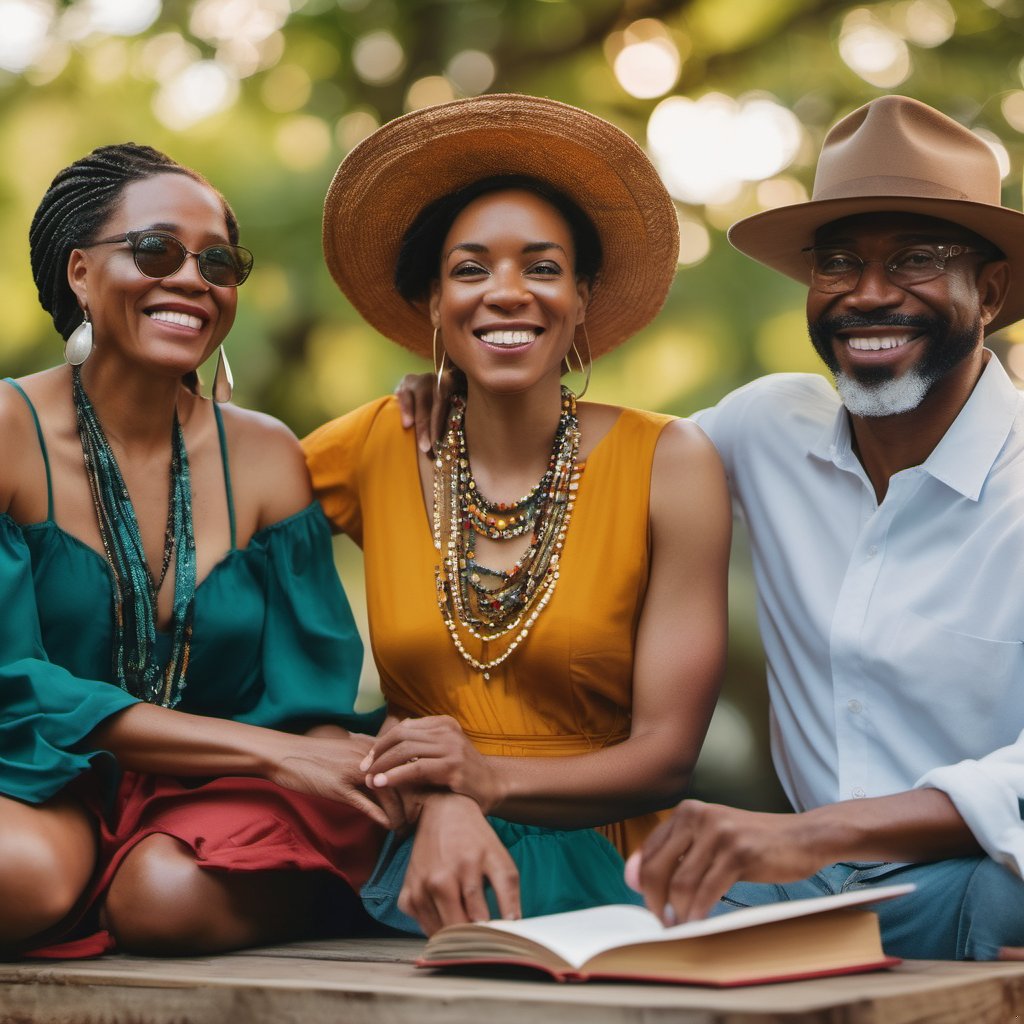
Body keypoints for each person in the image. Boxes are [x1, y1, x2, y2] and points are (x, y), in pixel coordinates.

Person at [302, 94, 731, 936]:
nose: (505, 293)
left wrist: (479, 778)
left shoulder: (669, 462)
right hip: (407, 852)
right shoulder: (372, 444)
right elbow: (208, 519)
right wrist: (429, 790)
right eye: (470, 270)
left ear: (580, 299)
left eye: (540, 268)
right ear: (433, 305)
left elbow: (667, 757)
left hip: (610, 868)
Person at [626, 95, 1024, 961]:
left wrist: (817, 834)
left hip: (973, 877)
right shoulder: (764, 428)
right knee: (617, 902)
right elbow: (594, 479)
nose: (869, 295)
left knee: (1003, 898)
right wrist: (464, 398)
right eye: (838, 263)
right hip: (803, 889)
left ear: (988, 290)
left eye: (917, 260)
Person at [0, 143, 388, 959]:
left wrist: (327, 763)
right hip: (37, 770)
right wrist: (273, 752)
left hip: (219, 792)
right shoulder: (9, 432)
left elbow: (306, 698)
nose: (192, 278)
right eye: (156, 250)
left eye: (218, 261)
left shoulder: (266, 456)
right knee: (23, 876)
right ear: (78, 273)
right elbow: (15, 688)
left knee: (166, 899)